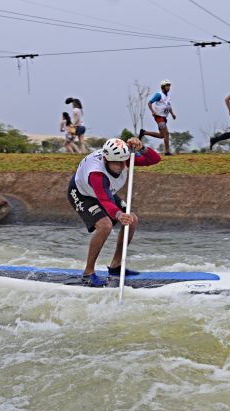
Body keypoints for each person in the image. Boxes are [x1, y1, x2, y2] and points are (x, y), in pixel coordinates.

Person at [67, 137, 161, 286]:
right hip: (82, 193)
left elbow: (154, 159)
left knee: (132, 220)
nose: (120, 166)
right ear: (106, 159)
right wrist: (118, 215)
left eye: (123, 162)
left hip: (104, 191)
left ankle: (116, 267)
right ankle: (88, 273)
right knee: (105, 226)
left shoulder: (124, 158)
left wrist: (141, 148)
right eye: (115, 163)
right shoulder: (96, 174)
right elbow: (105, 201)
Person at [139, 79, 176, 156]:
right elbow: (149, 103)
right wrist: (152, 111)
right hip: (159, 117)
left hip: (164, 117)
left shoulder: (168, 96)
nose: (169, 87)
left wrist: (172, 114)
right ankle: (167, 152)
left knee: (161, 135)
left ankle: (144, 132)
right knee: (166, 133)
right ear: (163, 86)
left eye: (169, 86)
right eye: (167, 86)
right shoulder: (158, 95)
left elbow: (168, 106)